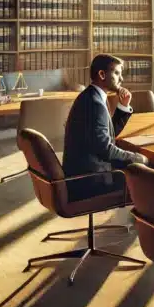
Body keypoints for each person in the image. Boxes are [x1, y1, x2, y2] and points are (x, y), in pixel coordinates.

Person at [62, 54, 148, 202]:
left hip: (80, 177)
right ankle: (149, 220)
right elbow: (105, 149)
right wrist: (136, 158)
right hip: (91, 182)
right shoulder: (95, 104)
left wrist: (123, 107)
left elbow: (105, 135)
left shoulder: (90, 96)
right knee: (151, 172)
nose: (121, 79)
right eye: (116, 73)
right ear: (102, 74)